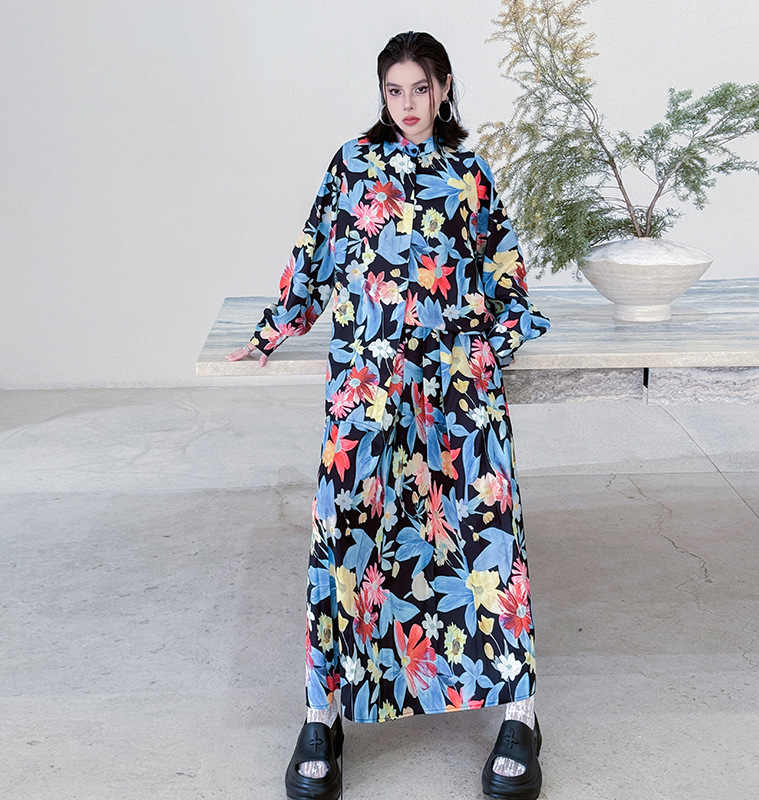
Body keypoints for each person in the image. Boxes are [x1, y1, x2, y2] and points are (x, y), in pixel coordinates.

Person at [227, 30, 550, 800]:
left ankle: (521, 715)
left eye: (420, 88)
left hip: (455, 392)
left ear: (444, 88)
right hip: (367, 391)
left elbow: (506, 276)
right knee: (345, 541)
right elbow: (314, 257)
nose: (407, 103)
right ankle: (321, 715)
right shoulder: (352, 165)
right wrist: (274, 329)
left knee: (483, 540)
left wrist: (493, 345)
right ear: (383, 94)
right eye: (394, 90)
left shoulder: (470, 174)